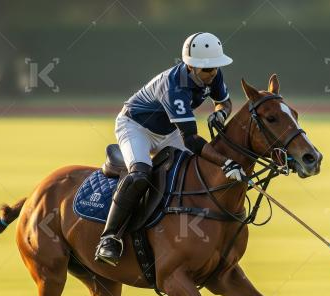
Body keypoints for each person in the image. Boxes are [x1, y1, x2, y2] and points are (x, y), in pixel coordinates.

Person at [94, 32, 245, 266]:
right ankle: (109, 238)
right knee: (140, 174)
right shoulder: (174, 86)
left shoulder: (212, 74)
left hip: (168, 131)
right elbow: (192, 141)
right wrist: (226, 162)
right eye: (207, 69)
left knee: (194, 170)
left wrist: (220, 113)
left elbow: (223, 101)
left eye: (215, 67)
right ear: (191, 66)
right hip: (136, 126)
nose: (213, 72)